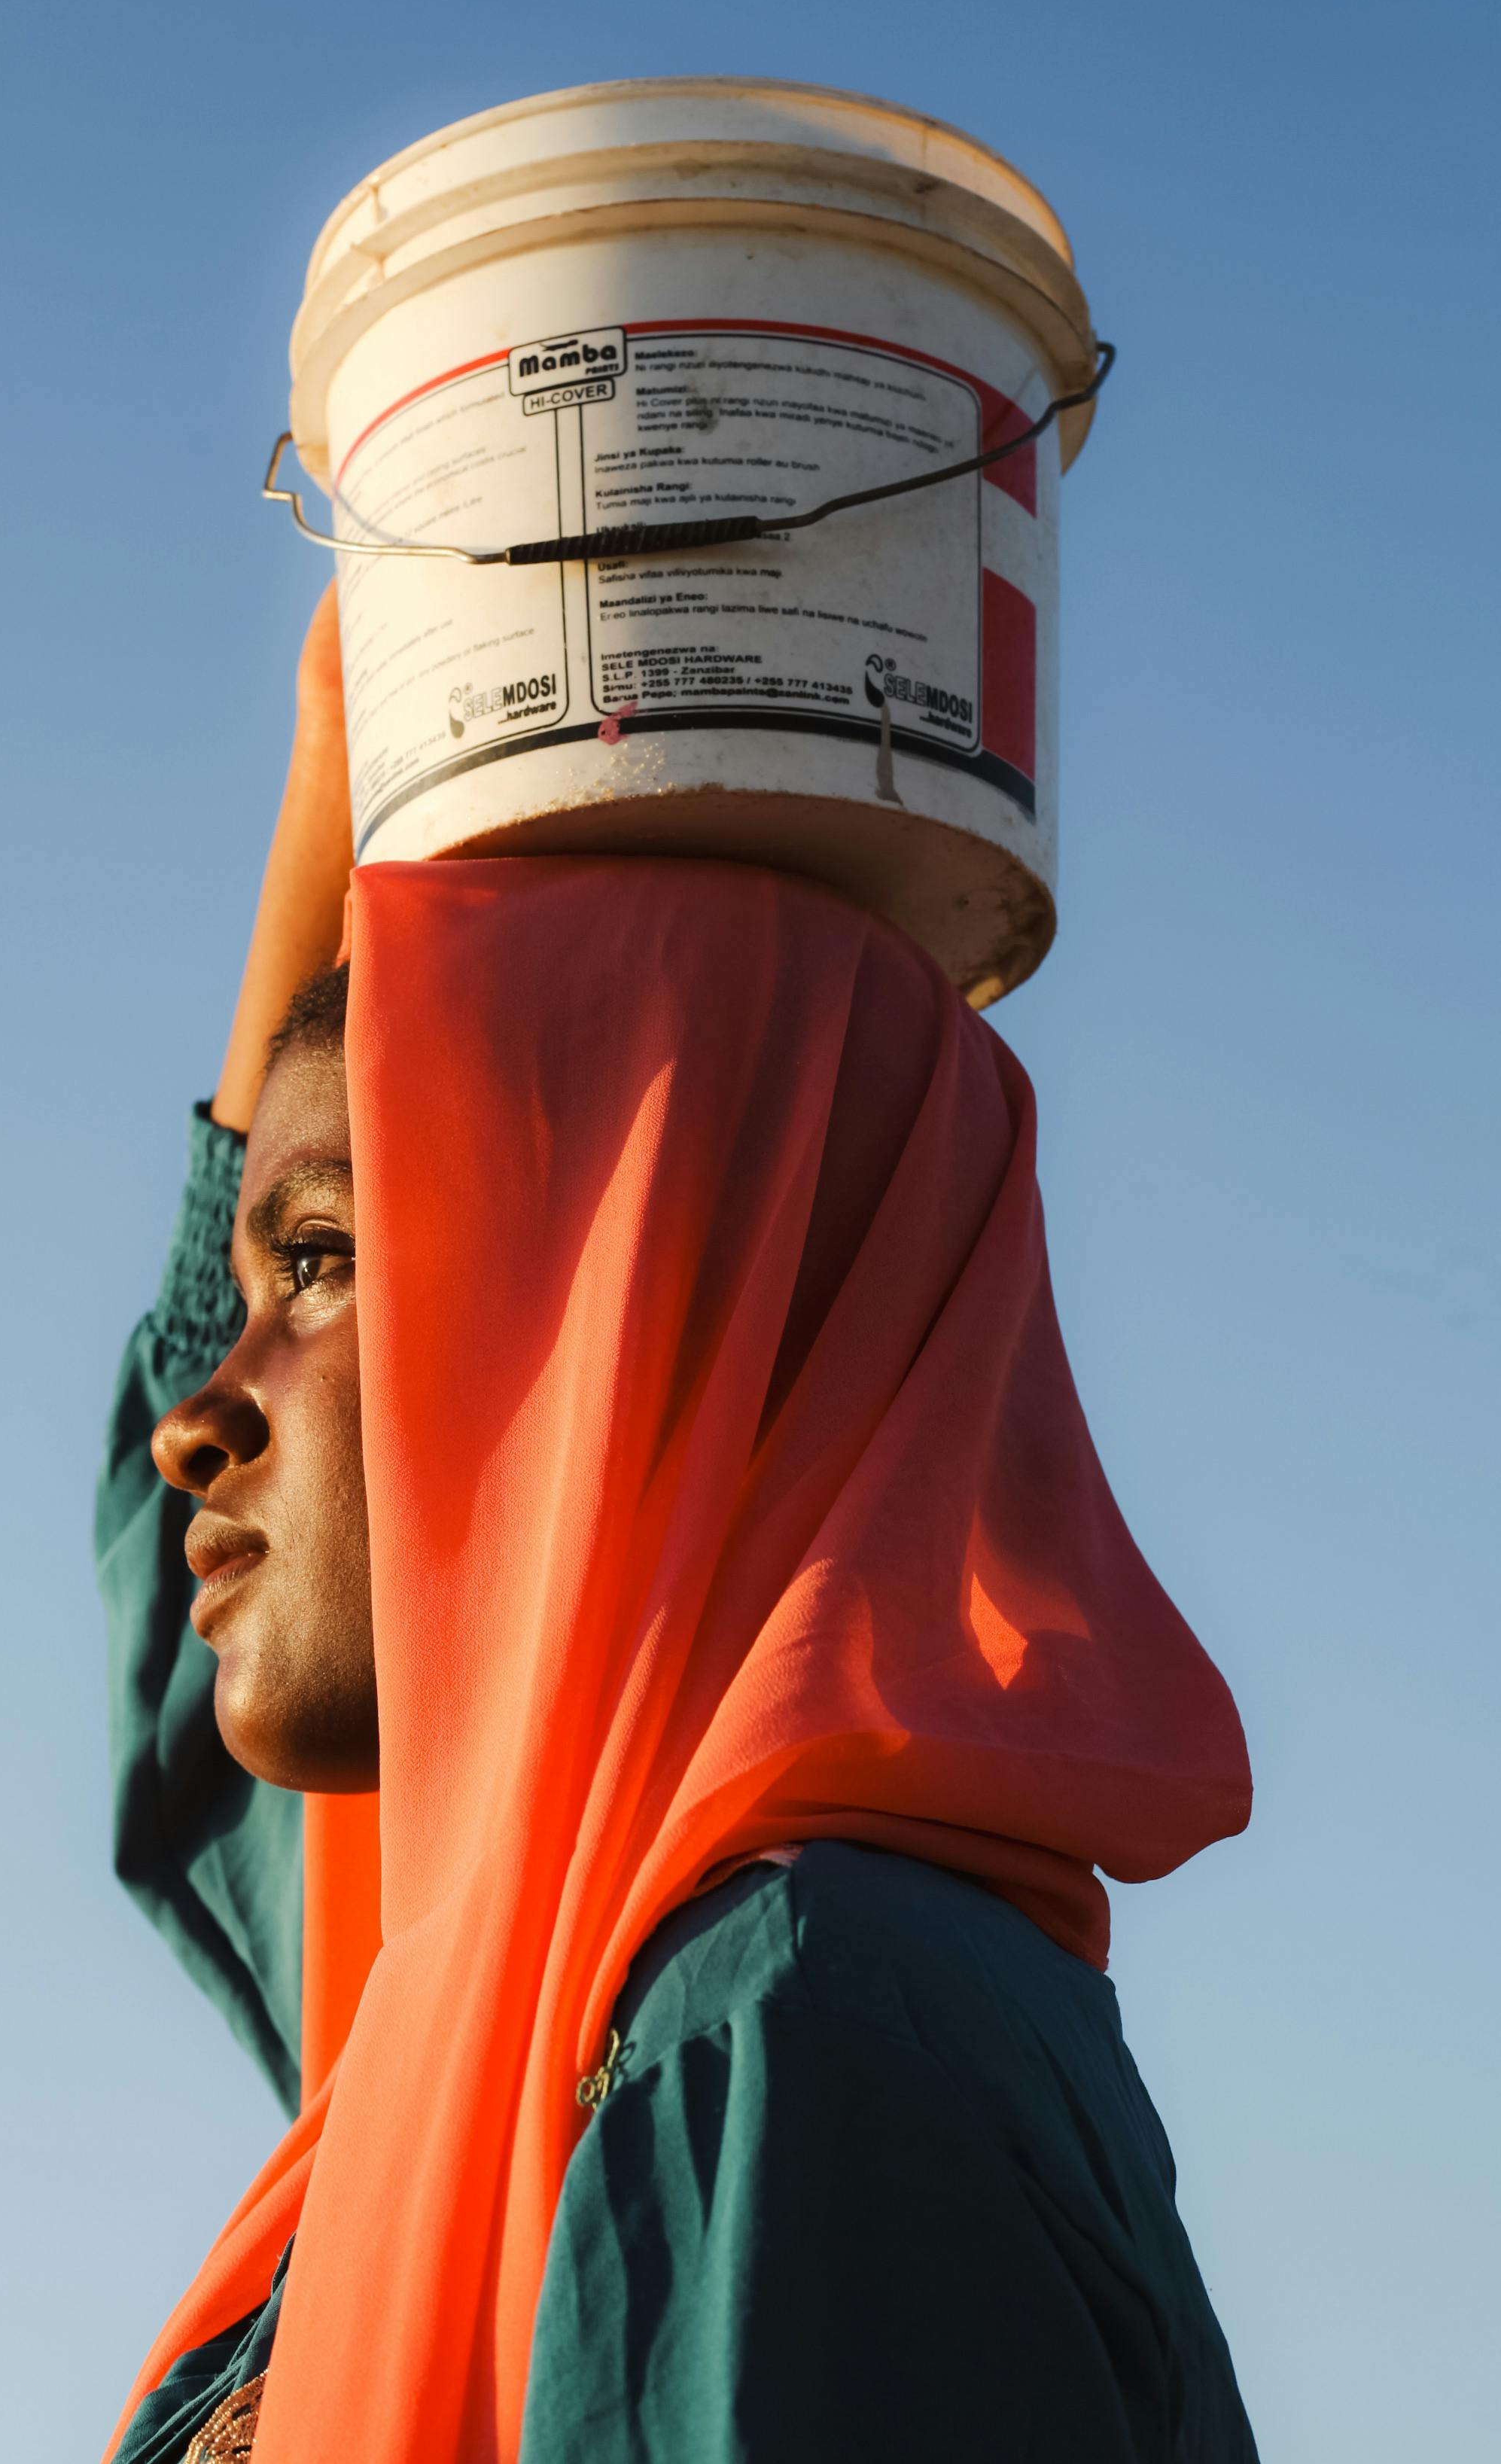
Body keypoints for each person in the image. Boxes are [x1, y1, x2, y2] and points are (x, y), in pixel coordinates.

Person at [94, 593, 1260, 2463]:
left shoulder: (770, 2035)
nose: (191, 1421)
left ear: (611, 1314)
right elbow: (201, 1650)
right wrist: (341, 744)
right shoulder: (505, 2010)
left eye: (316, 1262)